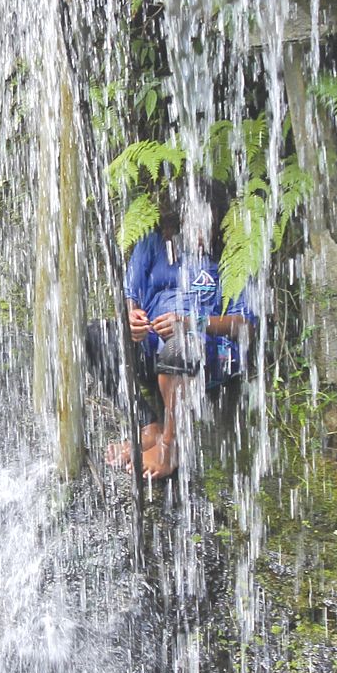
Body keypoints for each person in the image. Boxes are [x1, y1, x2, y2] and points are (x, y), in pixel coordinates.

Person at [112, 181, 255, 480]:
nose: (200, 233)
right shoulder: (153, 243)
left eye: (207, 224)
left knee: (181, 347)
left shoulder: (234, 254)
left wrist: (192, 323)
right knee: (95, 337)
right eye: (193, 224)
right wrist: (132, 320)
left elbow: (247, 324)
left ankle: (171, 445)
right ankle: (149, 425)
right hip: (153, 345)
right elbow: (131, 293)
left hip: (206, 353)